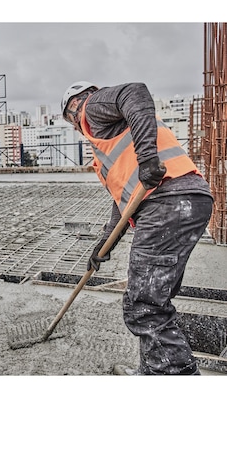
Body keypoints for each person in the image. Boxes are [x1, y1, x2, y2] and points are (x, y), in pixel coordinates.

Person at [61, 81, 214, 375]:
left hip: (167, 202)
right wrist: (104, 245)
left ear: (72, 110)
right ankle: (152, 373)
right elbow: (123, 201)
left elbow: (135, 91)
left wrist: (147, 158)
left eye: (70, 120)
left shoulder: (92, 108)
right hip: (189, 200)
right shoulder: (106, 144)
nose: (75, 126)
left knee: (143, 307)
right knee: (154, 299)